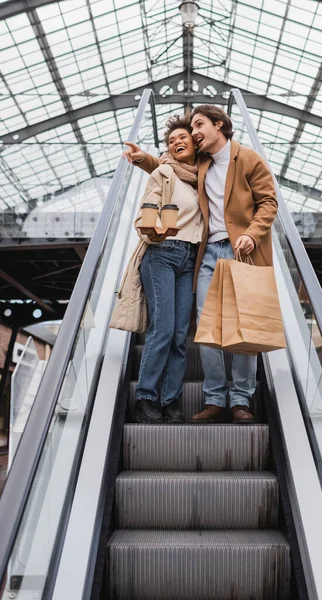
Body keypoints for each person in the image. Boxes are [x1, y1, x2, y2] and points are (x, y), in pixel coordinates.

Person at [123, 105, 278, 423]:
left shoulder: (247, 158)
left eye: (197, 125)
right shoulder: (202, 163)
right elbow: (172, 166)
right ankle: (214, 398)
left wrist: (252, 233)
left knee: (242, 327)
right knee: (206, 330)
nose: (193, 133)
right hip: (205, 254)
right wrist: (142, 160)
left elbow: (269, 201)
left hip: (242, 252)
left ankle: (241, 400)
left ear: (219, 124)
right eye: (188, 129)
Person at [133, 114, 203, 424]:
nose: (176, 142)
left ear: (194, 143)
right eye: (171, 140)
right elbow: (147, 207)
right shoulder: (163, 173)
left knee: (178, 336)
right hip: (162, 253)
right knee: (161, 328)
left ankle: (171, 401)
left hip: (190, 260)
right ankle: (146, 398)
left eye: (182, 138)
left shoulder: (204, 177)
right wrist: (151, 229)